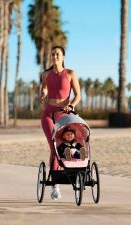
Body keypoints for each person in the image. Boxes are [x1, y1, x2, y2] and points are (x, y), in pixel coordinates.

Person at [39, 45, 81, 200]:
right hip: (49, 115)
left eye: (57, 54)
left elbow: (78, 95)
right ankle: (55, 186)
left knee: (67, 145)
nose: (54, 56)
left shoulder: (70, 74)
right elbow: (44, 88)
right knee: (54, 147)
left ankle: (72, 172)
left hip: (64, 115)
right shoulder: (46, 74)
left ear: (63, 57)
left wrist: (71, 105)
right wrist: (43, 95)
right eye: (52, 54)